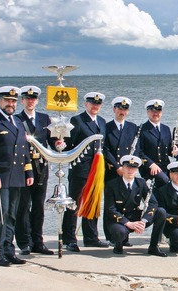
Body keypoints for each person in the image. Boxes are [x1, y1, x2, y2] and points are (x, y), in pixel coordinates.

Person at [0, 86, 34, 266]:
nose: (10, 104)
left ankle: (9, 250)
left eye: (13, 101)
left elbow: (24, 150)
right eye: (7, 100)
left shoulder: (18, 122)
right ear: (0, 101)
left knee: (12, 215)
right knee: (0, 215)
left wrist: (29, 171)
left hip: (17, 176)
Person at [63, 92, 108, 251]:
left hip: (96, 170)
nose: (95, 106)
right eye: (92, 103)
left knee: (93, 203)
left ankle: (91, 237)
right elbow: (69, 145)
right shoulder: (78, 120)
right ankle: (69, 239)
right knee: (74, 204)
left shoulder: (102, 122)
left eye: (98, 104)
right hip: (80, 169)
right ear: (86, 104)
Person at [14, 86, 56, 256]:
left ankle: (37, 241)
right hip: (23, 167)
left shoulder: (45, 119)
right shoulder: (17, 119)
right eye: (27, 98)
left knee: (38, 206)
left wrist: (59, 145)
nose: (30, 101)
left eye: (33, 99)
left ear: (37, 101)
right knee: (23, 206)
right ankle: (24, 242)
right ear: (22, 101)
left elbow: (52, 141)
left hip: (41, 167)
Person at [103, 155, 167, 256]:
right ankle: (119, 245)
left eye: (133, 168)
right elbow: (110, 209)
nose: (130, 170)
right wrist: (128, 223)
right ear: (122, 168)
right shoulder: (112, 184)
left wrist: (144, 220)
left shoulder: (141, 183)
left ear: (137, 170)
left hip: (136, 217)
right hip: (119, 220)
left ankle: (154, 246)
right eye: (128, 167)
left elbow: (153, 203)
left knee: (161, 212)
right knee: (120, 232)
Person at [138, 99, 174, 188]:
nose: (155, 114)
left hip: (165, 166)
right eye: (153, 111)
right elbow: (139, 151)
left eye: (158, 111)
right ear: (147, 112)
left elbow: (169, 150)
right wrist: (151, 164)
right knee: (165, 180)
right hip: (149, 167)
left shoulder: (166, 129)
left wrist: (174, 151)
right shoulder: (141, 129)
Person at [103, 97, 139, 184]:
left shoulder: (133, 127)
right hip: (112, 169)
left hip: (128, 170)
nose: (122, 112)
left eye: (125, 109)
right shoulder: (106, 127)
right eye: (120, 109)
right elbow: (105, 149)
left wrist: (132, 166)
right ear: (114, 109)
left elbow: (136, 148)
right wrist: (117, 167)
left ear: (128, 112)